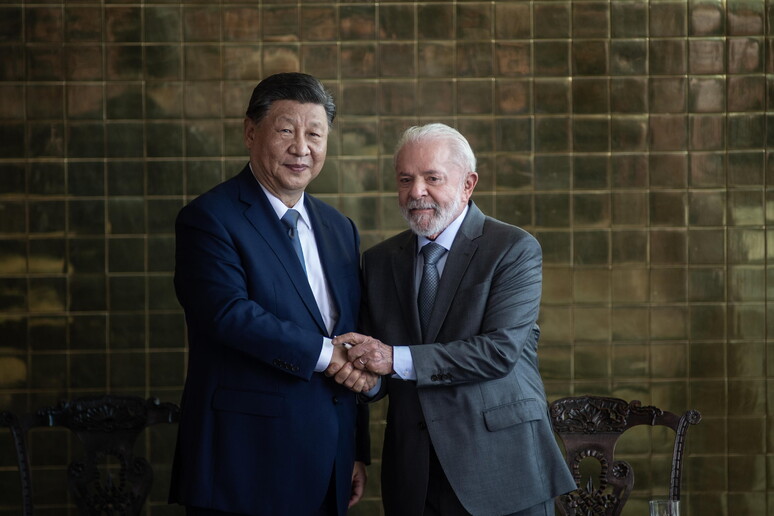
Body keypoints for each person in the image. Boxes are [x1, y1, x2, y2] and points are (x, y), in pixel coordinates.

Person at [331, 123, 576, 516]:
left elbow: (498, 352)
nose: (416, 192)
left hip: (500, 466)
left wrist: (392, 359)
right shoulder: (378, 262)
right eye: (406, 179)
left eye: (432, 178)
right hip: (414, 474)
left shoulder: (512, 249)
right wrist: (361, 375)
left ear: (468, 184)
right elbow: (374, 365)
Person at [170, 72, 375, 516]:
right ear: (250, 132)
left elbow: (349, 331)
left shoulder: (340, 229)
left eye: (315, 134)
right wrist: (329, 356)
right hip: (245, 466)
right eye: (286, 130)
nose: (302, 148)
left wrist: (355, 447)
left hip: (329, 461)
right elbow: (228, 314)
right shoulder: (209, 218)